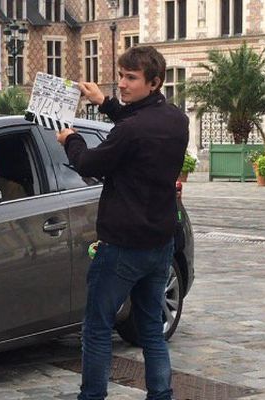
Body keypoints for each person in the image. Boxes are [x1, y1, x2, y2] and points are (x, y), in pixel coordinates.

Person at [56, 46, 189, 400]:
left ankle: (92, 396)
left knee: (97, 328)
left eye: (131, 78)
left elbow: (89, 163)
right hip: (160, 243)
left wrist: (71, 139)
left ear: (155, 82)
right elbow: (137, 125)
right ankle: (161, 395)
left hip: (122, 246)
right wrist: (104, 102)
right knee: (149, 330)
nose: (122, 84)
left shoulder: (130, 130)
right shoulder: (177, 120)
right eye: (120, 76)